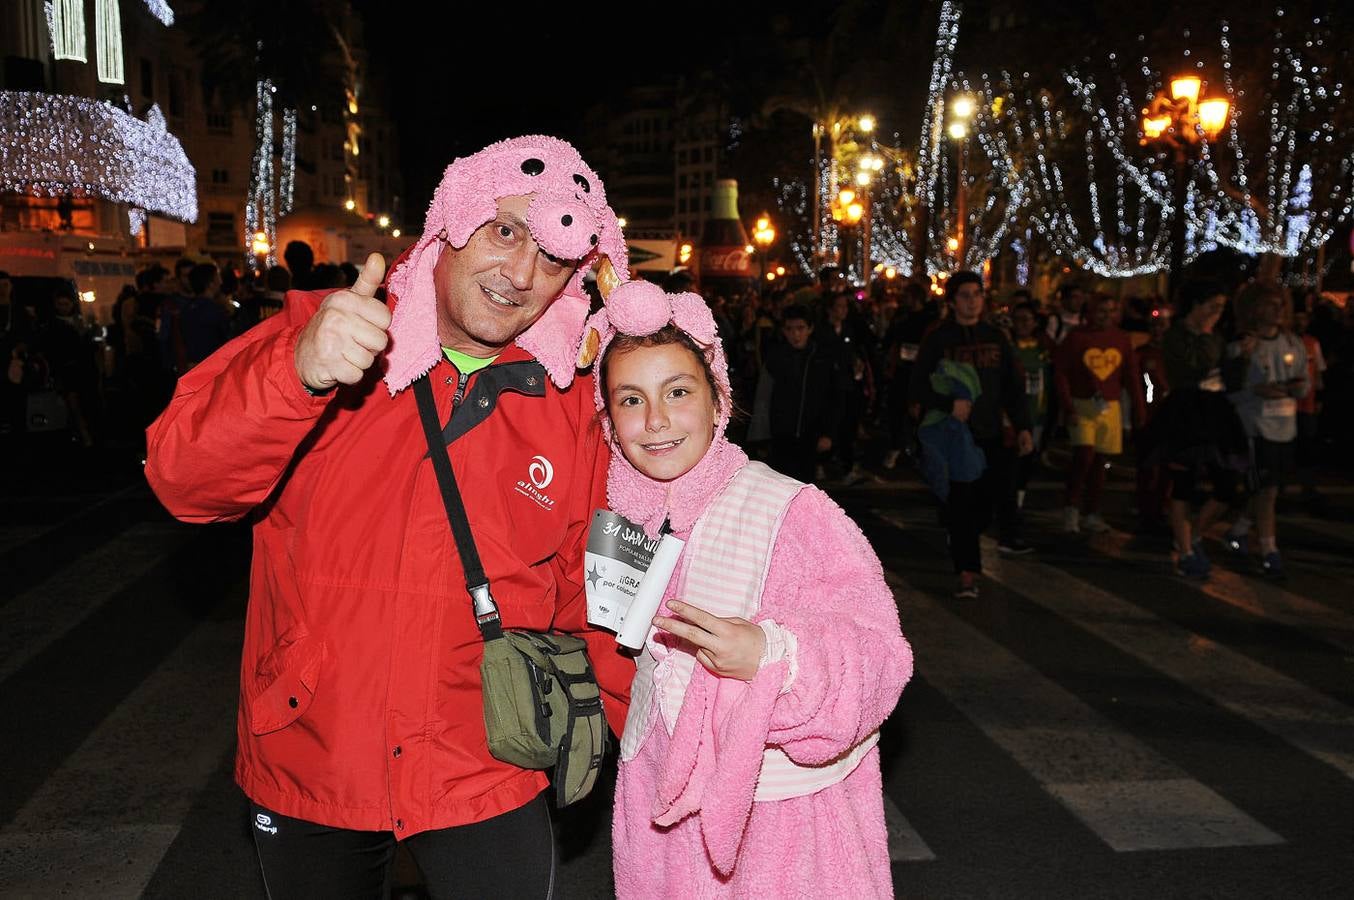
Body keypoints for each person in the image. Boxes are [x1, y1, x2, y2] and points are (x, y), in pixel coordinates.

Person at [144, 136, 635, 898]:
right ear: (450, 220)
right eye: (505, 230)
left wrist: (619, 730)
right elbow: (183, 479)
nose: (521, 274)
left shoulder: (575, 403)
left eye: (554, 256)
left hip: (490, 762)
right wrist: (295, 374)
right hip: (316, 750)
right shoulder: (324, 336)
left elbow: (597, 596)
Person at [585, 279, 912, 899]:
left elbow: (880, 653)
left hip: (780, 830)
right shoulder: (622, 515)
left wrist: (773, 658)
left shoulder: (791, 510)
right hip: (660, 820)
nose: (654, 420)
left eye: (677, 392)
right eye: (631, 399)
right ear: (609, 419)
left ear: (718, 401)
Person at [910, 271, 1034, 599]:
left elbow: (1013, 387)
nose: (972, 300)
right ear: (951, 301)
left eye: (977, 294)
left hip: (989, 432)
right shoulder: (938, 338)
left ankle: (958, 532)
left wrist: (1023, 426)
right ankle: (966, 573)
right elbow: (917, 383)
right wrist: (948, 403)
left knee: (988, 501)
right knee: (963, 503)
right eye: (965, 295)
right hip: (953, 436)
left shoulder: (995, 337)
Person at [1153, 280, 1248, 579]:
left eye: (1221, 308)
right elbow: (1189, 371)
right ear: (1196, 305)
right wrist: (1216, 347)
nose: (1217, 313)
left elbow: (1232, 380)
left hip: (1215, 412)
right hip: (1186, 413)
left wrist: (1240, 358)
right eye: (1212, 306)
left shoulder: (1216, 338)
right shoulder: (1176, 336)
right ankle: (1186, 551)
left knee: (1228, 484)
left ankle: (1192, 535)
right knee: (1183, 483)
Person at [1219, 284, 1308, 578]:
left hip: (1286, 428)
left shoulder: (1293, 344)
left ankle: (1239, 530)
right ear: (1255, 310)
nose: (1278, 311)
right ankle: (1270, 551)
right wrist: (1255, 390)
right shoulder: (1243, 346)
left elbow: (1304, 384)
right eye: (1270, 305)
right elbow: (1230, 392)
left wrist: (1293, 389)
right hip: (1255, 428)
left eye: (1281, 305)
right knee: (1266, 490)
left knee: (1267, 488)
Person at [1054, 295, 1145, 533]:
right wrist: (1068, 407)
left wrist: (1139, 409)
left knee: (1100, 462)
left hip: (1110, 407)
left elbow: (1131, 376)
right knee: (1083, 456)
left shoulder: (1121, 339)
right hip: (1082, 404)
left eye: (1112, 310)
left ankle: (1091, 512)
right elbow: (1061, 373)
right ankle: (1071, 510)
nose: (1107, 316)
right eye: (1101, 311)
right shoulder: (1076, 338)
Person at [757, 304, 839, 482]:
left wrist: (828, 433)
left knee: (806, 485)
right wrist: (761, 436)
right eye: (790, 329)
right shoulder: (776, 358)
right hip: (780, 436)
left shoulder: (822, 358)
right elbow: (763, 398)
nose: (795, 335)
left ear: (810, 329)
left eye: (800, 328)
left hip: (811, 435)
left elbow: (832, 398)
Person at [1009, 300, 1052, 508]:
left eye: (1026, 320)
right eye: (1017, 320)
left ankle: (1018, 498)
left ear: (1035, 323)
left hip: (1035, 413)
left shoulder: (1043, 350)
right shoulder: (1007, 347)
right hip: (1009, 415)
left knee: (1027, 459)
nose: (1021, 324)